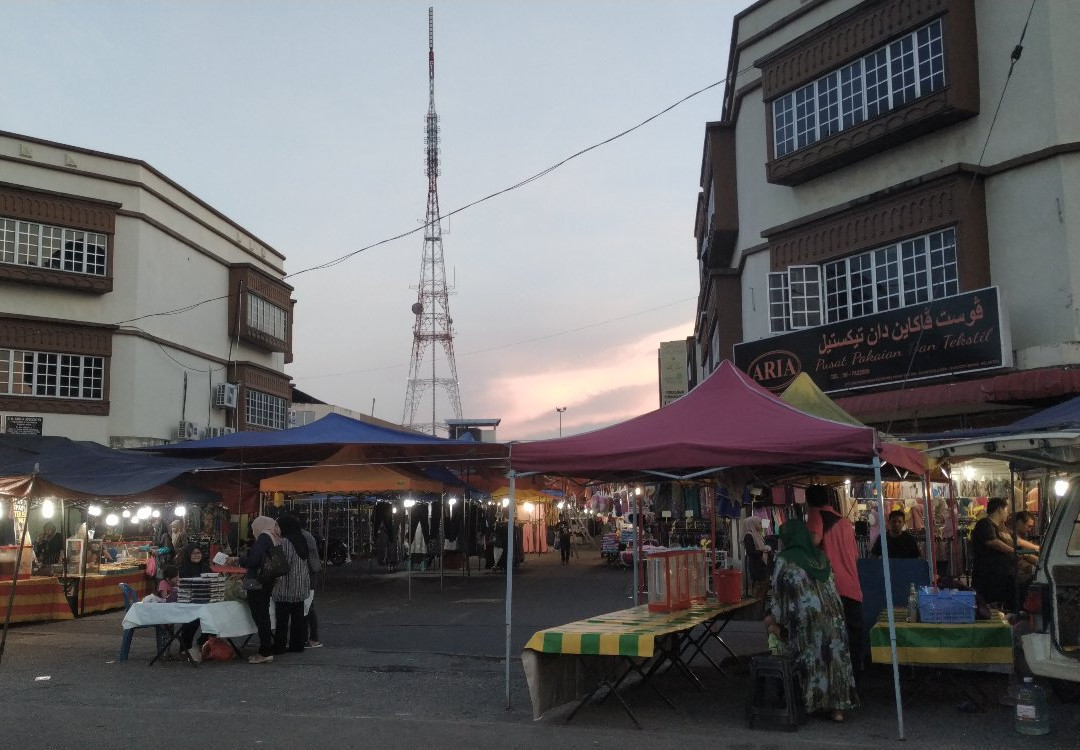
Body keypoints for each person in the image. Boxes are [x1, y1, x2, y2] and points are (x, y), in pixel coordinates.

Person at [765, 518, 859, 723]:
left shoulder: (785, 558)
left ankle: (813, 703)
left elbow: (778, 592)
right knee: (835, 659)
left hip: (807, 619)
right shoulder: (821, 557)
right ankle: (838, 710)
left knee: (813, 659)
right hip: (835, 617)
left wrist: (774, 620)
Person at [805, 487, 864, 677]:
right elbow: (855, 556)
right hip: (853, 588)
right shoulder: (844, 522)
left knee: (830, 642)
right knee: (852, 642)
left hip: (831, 590)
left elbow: (814, 539)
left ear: (809, 502)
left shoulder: (816, 514)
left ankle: (835, 687)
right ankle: (855, 684)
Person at [234, 516, 281, 664]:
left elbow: (254, 560)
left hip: (257, 583)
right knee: (264, 615)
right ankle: (267, 648)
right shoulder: (274, 536)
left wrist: (240, 560)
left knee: (260, 616)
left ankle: (265, 651)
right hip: (268, 581)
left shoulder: (263, 538)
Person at [272, 514, 311, 654]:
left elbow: (284, 563)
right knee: (298, 617)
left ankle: (279, 646)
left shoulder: (286, 542)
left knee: (282, 619)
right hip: (300, 583)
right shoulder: (301, 538)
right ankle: (297, 645)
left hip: (287, 586)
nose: (276, 528)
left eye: (278, 525)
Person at [971, 497, 1017, 610]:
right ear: (999, 509)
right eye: (1006, 510)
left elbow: (1017, 540)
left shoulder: (1003, 528)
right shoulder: (984, 524)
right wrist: (1014, 551)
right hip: (989, 577)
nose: (1007, 513)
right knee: (991, 608)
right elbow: (992, 542)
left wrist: (1036, 548)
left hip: (1005, 575)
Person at [176, 543, 210, 662]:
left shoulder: (205, 566)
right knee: (190, 624)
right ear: (188, 554)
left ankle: (202, 645)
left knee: (211, 621)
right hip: (189, 601)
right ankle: (185, 648)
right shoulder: (183, 568)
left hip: (205, 600)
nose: (197, 555)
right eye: (194, 553)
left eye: (199, 553)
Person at [741, 516, 772, 611]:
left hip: (762, 564)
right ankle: (756, 610)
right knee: (758, 587)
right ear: (752, 524)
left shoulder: (758, 535)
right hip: (756, 566)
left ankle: (759, 610)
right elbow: (751, 552)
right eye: (759, 523)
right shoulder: (749, 535)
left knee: (763, 587)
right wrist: (763, 550)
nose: (761, 525)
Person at [299, 524, 323, 648]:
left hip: (308, 574)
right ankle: (310, 638)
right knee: (308, 607)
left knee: (307, 607)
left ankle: (312, 638)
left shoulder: (301, 536)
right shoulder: (307, 534)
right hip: (311, 572)